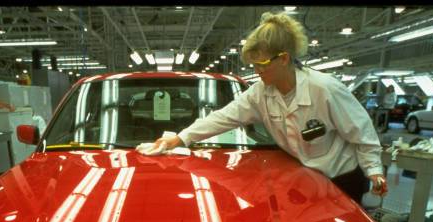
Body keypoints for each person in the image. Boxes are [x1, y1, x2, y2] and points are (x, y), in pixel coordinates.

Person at [152, 11, 387, 203]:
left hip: (342, 181)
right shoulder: (260, 93)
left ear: (284, 58)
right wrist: (181, 138)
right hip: (305, 181)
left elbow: (362, 132)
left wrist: (374, 171)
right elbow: (223, 117)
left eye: (262, 63)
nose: (257, 70)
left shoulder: (324, 89)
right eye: (253, 64)